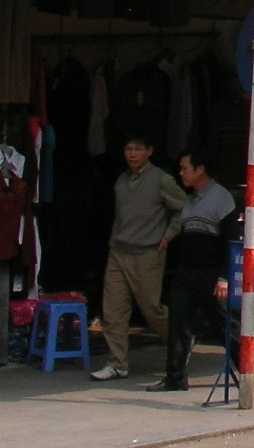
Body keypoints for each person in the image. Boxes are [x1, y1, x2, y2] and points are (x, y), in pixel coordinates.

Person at [91, 133, 185, 381]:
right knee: (112, 312)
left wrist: (168, 235)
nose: (132, 154)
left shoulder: (161, 180)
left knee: (152, 310)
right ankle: (117, 363)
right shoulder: (121, 181)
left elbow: (184, 209)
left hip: (148, 253)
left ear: (149, 151)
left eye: (138, 149)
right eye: (128, 149)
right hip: (119, 252)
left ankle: (181, 341)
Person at [148, 147, 239, 392]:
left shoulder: (222, 199)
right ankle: (175, 377)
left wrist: (224, 277)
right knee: (178, 324)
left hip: (211, 273)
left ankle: (249, 366)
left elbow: (231, 242)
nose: (181, 173)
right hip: (186, 272)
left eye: (185, 168)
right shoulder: (188, 200)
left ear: (200, 170)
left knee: (222, 326)